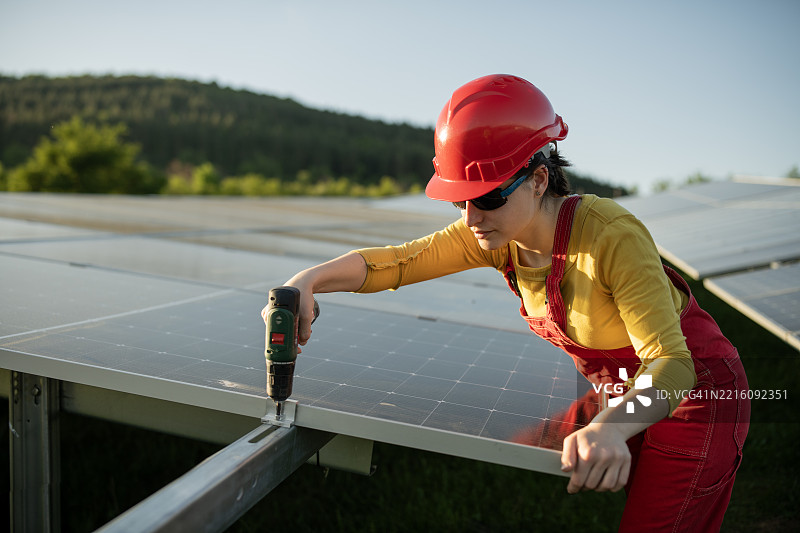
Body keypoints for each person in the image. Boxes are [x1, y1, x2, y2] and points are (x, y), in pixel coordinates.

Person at [266, 74, 750, 532]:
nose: (472, 217)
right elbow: (398, 262)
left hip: (696, 395)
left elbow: (671, 363)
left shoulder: (610, 237)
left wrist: (609, 429)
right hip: (620, 387)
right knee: (522, 444)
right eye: (461, 201)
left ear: (539, 179)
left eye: (490, 196)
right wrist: (308, 280)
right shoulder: (494, 234)